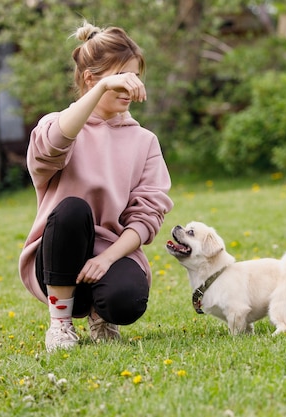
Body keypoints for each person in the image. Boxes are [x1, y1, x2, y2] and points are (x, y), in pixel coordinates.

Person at [18, 21, 174, 352]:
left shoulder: (144, 141)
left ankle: (102, 317)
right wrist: (102, 90)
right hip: (58, 258)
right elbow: (50, 148)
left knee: (127, 301)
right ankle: (60, 324)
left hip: (112, 254)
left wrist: (107, 259)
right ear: (91, 79)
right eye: (121, 79)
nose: (129, 89)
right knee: (73, 208)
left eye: (134, 78)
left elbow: (146, 217)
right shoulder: (57, 125)